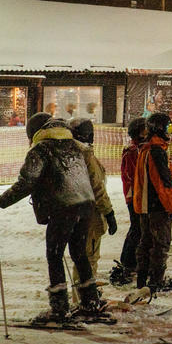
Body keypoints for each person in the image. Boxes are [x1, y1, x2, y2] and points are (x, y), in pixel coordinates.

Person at [0, 113, 102, 323]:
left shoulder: (42, 149)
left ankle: (59, 309)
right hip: (86, 206)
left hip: (64, 208)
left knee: (55, 254)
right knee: (79, 253)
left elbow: (26, 183)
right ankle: (90, 302)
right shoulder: (73, 146)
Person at [67, 118, 116, 307]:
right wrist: (109, 212)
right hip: (90, 215)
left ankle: (82, 297)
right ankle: (84, 300)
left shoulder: (69, 154)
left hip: (73, 213)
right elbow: (97, 187)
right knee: (88, 259)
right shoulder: (85, 155)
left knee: (81, 257)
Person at [133, 112, 172, 294]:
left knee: (146, 243)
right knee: (161, 244)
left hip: (145, 207)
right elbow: (164, 184)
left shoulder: (145, 150)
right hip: (158, 207)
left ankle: (142, 280)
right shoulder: (157, 152)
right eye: (168, 127)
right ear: (160, 129)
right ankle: (156, 282)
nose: (170, 131)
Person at [110, 117, 146, 286]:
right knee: (136, 227)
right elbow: (133, 176)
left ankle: (133, 260)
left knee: (139, 227)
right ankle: (128, 261)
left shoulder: (138, 150)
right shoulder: (132, 152)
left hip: (138, 195)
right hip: (134, 196)